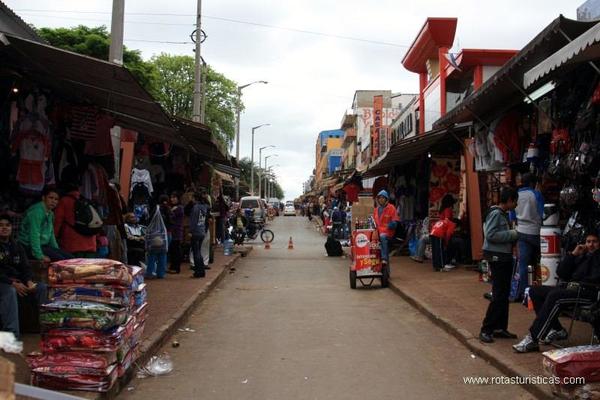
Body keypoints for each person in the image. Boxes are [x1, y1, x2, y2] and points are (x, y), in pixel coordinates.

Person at [513, 233, 600, 353]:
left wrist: (592, 257)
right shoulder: (582, 256)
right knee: (535, 291)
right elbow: (561, 273)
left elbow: (595, 277)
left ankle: (533, 338)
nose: (591, 245)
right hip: (571, 290)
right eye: (588, 242)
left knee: (555, 297)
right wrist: (573, 255)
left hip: (588, 293)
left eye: (594, 241)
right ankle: (557, 329)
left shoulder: (597, 257)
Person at [479, 186, 519, 344]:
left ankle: (500, 327)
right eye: (515, 201)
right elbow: (490, 235)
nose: (516, 204)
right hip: (498, 257)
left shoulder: (501, 213)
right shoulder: (496, 214)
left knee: (503, 294)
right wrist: (513, 234)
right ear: (509, 200)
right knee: (499, 294)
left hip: (503, 256)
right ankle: (486, 329)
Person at [0, 214, 47, 338]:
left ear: (11, 228)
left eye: (7, 225)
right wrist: (12, 283)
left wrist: (29, 281)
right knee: (10, 291)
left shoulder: (16, 246)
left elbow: (25, 267)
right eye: (0, 225)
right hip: (4, 282)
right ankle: (12, 335)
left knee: (41, 287)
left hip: (18, 281)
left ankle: (44, 328)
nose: (4, 228)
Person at [513, 173, 543, 302]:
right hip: (536, 232)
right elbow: (543, 214)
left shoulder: (515, 195)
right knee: (542, 262)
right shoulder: (536, 194)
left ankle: (523, 294)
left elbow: (512, 217)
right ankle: (541, 290)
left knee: (524, 265)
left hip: (521, 232)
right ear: (532, 183)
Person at [18, 187, 71, 262]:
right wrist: (39, 256)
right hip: (27, 246)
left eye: (56, 199)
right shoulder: (37, 212)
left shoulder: (50, 213)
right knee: (61, 260)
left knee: (70, 258)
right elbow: (34, 234)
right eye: (51, 198)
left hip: (42, 245)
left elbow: (51, 234)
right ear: (43, 198)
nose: (53, 201)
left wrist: (56, 250)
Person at [54, 182, 97, 258]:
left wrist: (54, 238)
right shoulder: (87, 200)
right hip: (91, 244)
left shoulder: (64, 201)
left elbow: (57, 221)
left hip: (72, 244)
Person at [429, 195, 458, 272]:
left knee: (435, 250)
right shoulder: (449, 214)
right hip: (440, 232)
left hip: (434, 230)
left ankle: (436, 265)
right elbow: (448, 232)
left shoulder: (442, 209)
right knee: (440, 250)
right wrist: (446, 242)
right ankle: (442, 266)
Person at [373, 190, 400, 268]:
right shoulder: (376, 210)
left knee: (382, 237)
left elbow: (395, 222)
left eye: (383, 198)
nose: (381, 199)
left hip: (388, 233)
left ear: (386, 199)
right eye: (379, 198)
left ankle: (384, 258)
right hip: (378, 232)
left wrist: (391, 225)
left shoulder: (391, 208)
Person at [189, 192, 212, 278]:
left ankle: (198, 272)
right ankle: (201, 271)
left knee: (196, 252)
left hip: (196, 231)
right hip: (202, 231)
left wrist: (190, 231)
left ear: (195, 198)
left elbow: (193, 221)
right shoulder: (204, 207)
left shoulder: (196, 208)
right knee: (199, 251)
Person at [168, 192, 185, 274]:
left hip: (177, 232)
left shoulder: (179, 208)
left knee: (176, 250)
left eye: (174, 197)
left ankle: (176, 268)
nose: (172, 199)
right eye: (171, 197)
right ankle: (172, 266)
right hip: (172, 231)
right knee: (173, 250)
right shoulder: (173, 208)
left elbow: (171, 216)